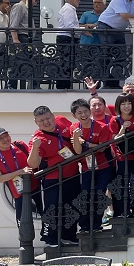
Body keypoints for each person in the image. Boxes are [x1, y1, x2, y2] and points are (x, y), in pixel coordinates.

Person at [27, 105, 80, 247]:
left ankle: (69, 235)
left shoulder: (62, 120)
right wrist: (35, 148)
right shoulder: (37, 139)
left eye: (48, 118)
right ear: (36, 122)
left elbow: (74, 132)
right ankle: (50, 238)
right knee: (52, 208)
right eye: (41, 120)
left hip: (73, 174)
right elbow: (33, 164)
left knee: (71, 206)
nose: (46, 122)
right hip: (53, 178)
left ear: (53, 115)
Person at [69, 98, 114, 232]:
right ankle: (84, 225)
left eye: (85, 111)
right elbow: (77, 151)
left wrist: (86, 143)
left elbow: (101, 148)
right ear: (74, 115)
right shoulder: (74, 128)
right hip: (86, 167)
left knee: (99, 195)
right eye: (79, 113)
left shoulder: (102, 127)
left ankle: (96, 224)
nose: (83, 115)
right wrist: (77, 139)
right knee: (85, 196)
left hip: (103, 166)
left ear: (89, 111)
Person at [0, 127, 43, 234]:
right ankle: (24, 246)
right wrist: (19, 172)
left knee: (45, 214)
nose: (5, 140)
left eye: (6, 136)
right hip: (18, 193)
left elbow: (34, 161)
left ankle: (49, 240)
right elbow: (0, 178)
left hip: (36, 186)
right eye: (1, 138)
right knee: (22, 223)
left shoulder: (20, 145)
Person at [108, 93, 134, 218]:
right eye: (123, 104)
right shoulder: (115, 120)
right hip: (123, 157)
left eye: (129, 103)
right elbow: (115, 140)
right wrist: (122, 129)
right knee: (123, 184)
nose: (126, 106)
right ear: (118, 106)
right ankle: (122, 211)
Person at [56, 0, 81, 90]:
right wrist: (83, 31)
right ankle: (64, 85)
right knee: (66, 62)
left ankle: (66, 83)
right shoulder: (68, 9)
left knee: (68, 62)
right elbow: (69, 26)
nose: (79, 0)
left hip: (68, 38)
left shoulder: (70, 9)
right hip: (66, 39)